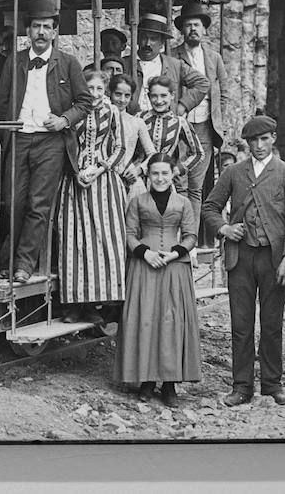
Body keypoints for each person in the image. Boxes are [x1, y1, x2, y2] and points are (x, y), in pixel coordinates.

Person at [203, 114, 285, 407]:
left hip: (273, 260)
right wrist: (224, 228)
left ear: (273, 138)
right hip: (241, 257)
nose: (258, 146)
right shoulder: (234, 172)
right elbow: (210, 206)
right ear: (246, 144)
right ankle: (242, 386)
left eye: (263, 139)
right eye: (252, 141)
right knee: (241, 325)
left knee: (271, 324)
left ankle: (272, 384)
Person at [0, 0, 95, 283]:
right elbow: (2, 103)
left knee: (38, 204)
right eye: (36, 26)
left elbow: (85, 102)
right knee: (12, 201)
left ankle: (24, 264)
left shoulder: (68, 63)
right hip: (19, 137)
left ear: (54, 32)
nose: (40, 32)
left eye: (46, 27)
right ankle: (6, 260)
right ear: (28, 31)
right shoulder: (15, 61)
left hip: (51, 143)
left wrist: (64, 120)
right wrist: (3, 134)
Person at [114, 153, 202, 407]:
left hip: (175, 268)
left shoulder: (184, 203)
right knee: (146, 319)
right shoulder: (138, 202)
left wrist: (174, 254)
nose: (160, 178)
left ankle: (170, 385)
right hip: (145, 266)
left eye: (165, 173)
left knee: (171, 322)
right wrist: (146, 253)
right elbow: (129, 233)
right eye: (155, 173)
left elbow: (190, 236)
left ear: (173, 173)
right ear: (148, 175)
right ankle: (147, 381)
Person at [56, 70, 128, 324]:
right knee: (74, 241)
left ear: (105, 90)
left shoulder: (113, 112)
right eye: (90, 89)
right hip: (73, 181)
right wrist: (75, 171)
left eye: (99, 89)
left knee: (101, 240)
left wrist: (100, 169)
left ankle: (99, 303)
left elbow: (120, 148)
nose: (95, 94)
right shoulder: (73, 112)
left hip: (103, 183)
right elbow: (63, 144)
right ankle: (74, 305)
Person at [172, 1, 226, 217]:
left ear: (204, 29)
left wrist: (218, 120)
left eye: (197, 25)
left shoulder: (214, 58)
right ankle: (179, 233)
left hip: (204, 125)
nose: (193, 29)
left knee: (196, 185)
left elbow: (223, 92)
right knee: (179, 180)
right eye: (188, 25)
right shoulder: (173, 55)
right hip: (179, 125)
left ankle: (191, 240)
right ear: (182, 29)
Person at [127, 13, 209, 118]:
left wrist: (182, 106)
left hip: (164, 124)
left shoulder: (174, 64)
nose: (148, 43)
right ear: (138, 39)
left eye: (153, 39)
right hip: (132, 123)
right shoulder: (125, 64)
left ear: (161, 43)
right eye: (144, 38)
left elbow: (203, 83)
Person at [142, 76, 203, 205]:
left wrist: (176, 170)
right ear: (148, 96)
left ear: (172, 96)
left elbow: (198, 153)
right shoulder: (139, 118)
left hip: (166, 183)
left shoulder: (180, 122)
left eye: (164, 96)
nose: (159, 101)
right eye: (154, 96)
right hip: (140, 181)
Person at [108, 73, 155, 199]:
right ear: (110, 93)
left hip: (130, 179)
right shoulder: (101, 121)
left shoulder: (137, 122)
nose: (122, 100)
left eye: (127, 96)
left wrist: (139, 170)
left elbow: (152, 154)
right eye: (118, 94)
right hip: (106, 178)